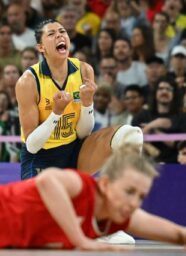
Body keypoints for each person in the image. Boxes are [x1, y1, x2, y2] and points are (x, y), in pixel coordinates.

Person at [0, 144, 186, 252]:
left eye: (141, 196)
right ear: (106, 183)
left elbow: (182, 233)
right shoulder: (82, 186)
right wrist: (82, 241)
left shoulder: (122, 216)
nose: (134, 203)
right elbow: (47, 181)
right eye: (129, 191)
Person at [15, 19, 143, 179]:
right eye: (51, 34)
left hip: (74, 150)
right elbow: (32, 145)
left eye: (62, 32)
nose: (59, 36)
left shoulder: (84, 70)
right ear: (41, 47)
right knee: (51, 203)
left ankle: (127, 189)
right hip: (41, 157)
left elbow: (84, 133)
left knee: (131, 134)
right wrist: (56, 113)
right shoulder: (28, 81)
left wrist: (87, 103)